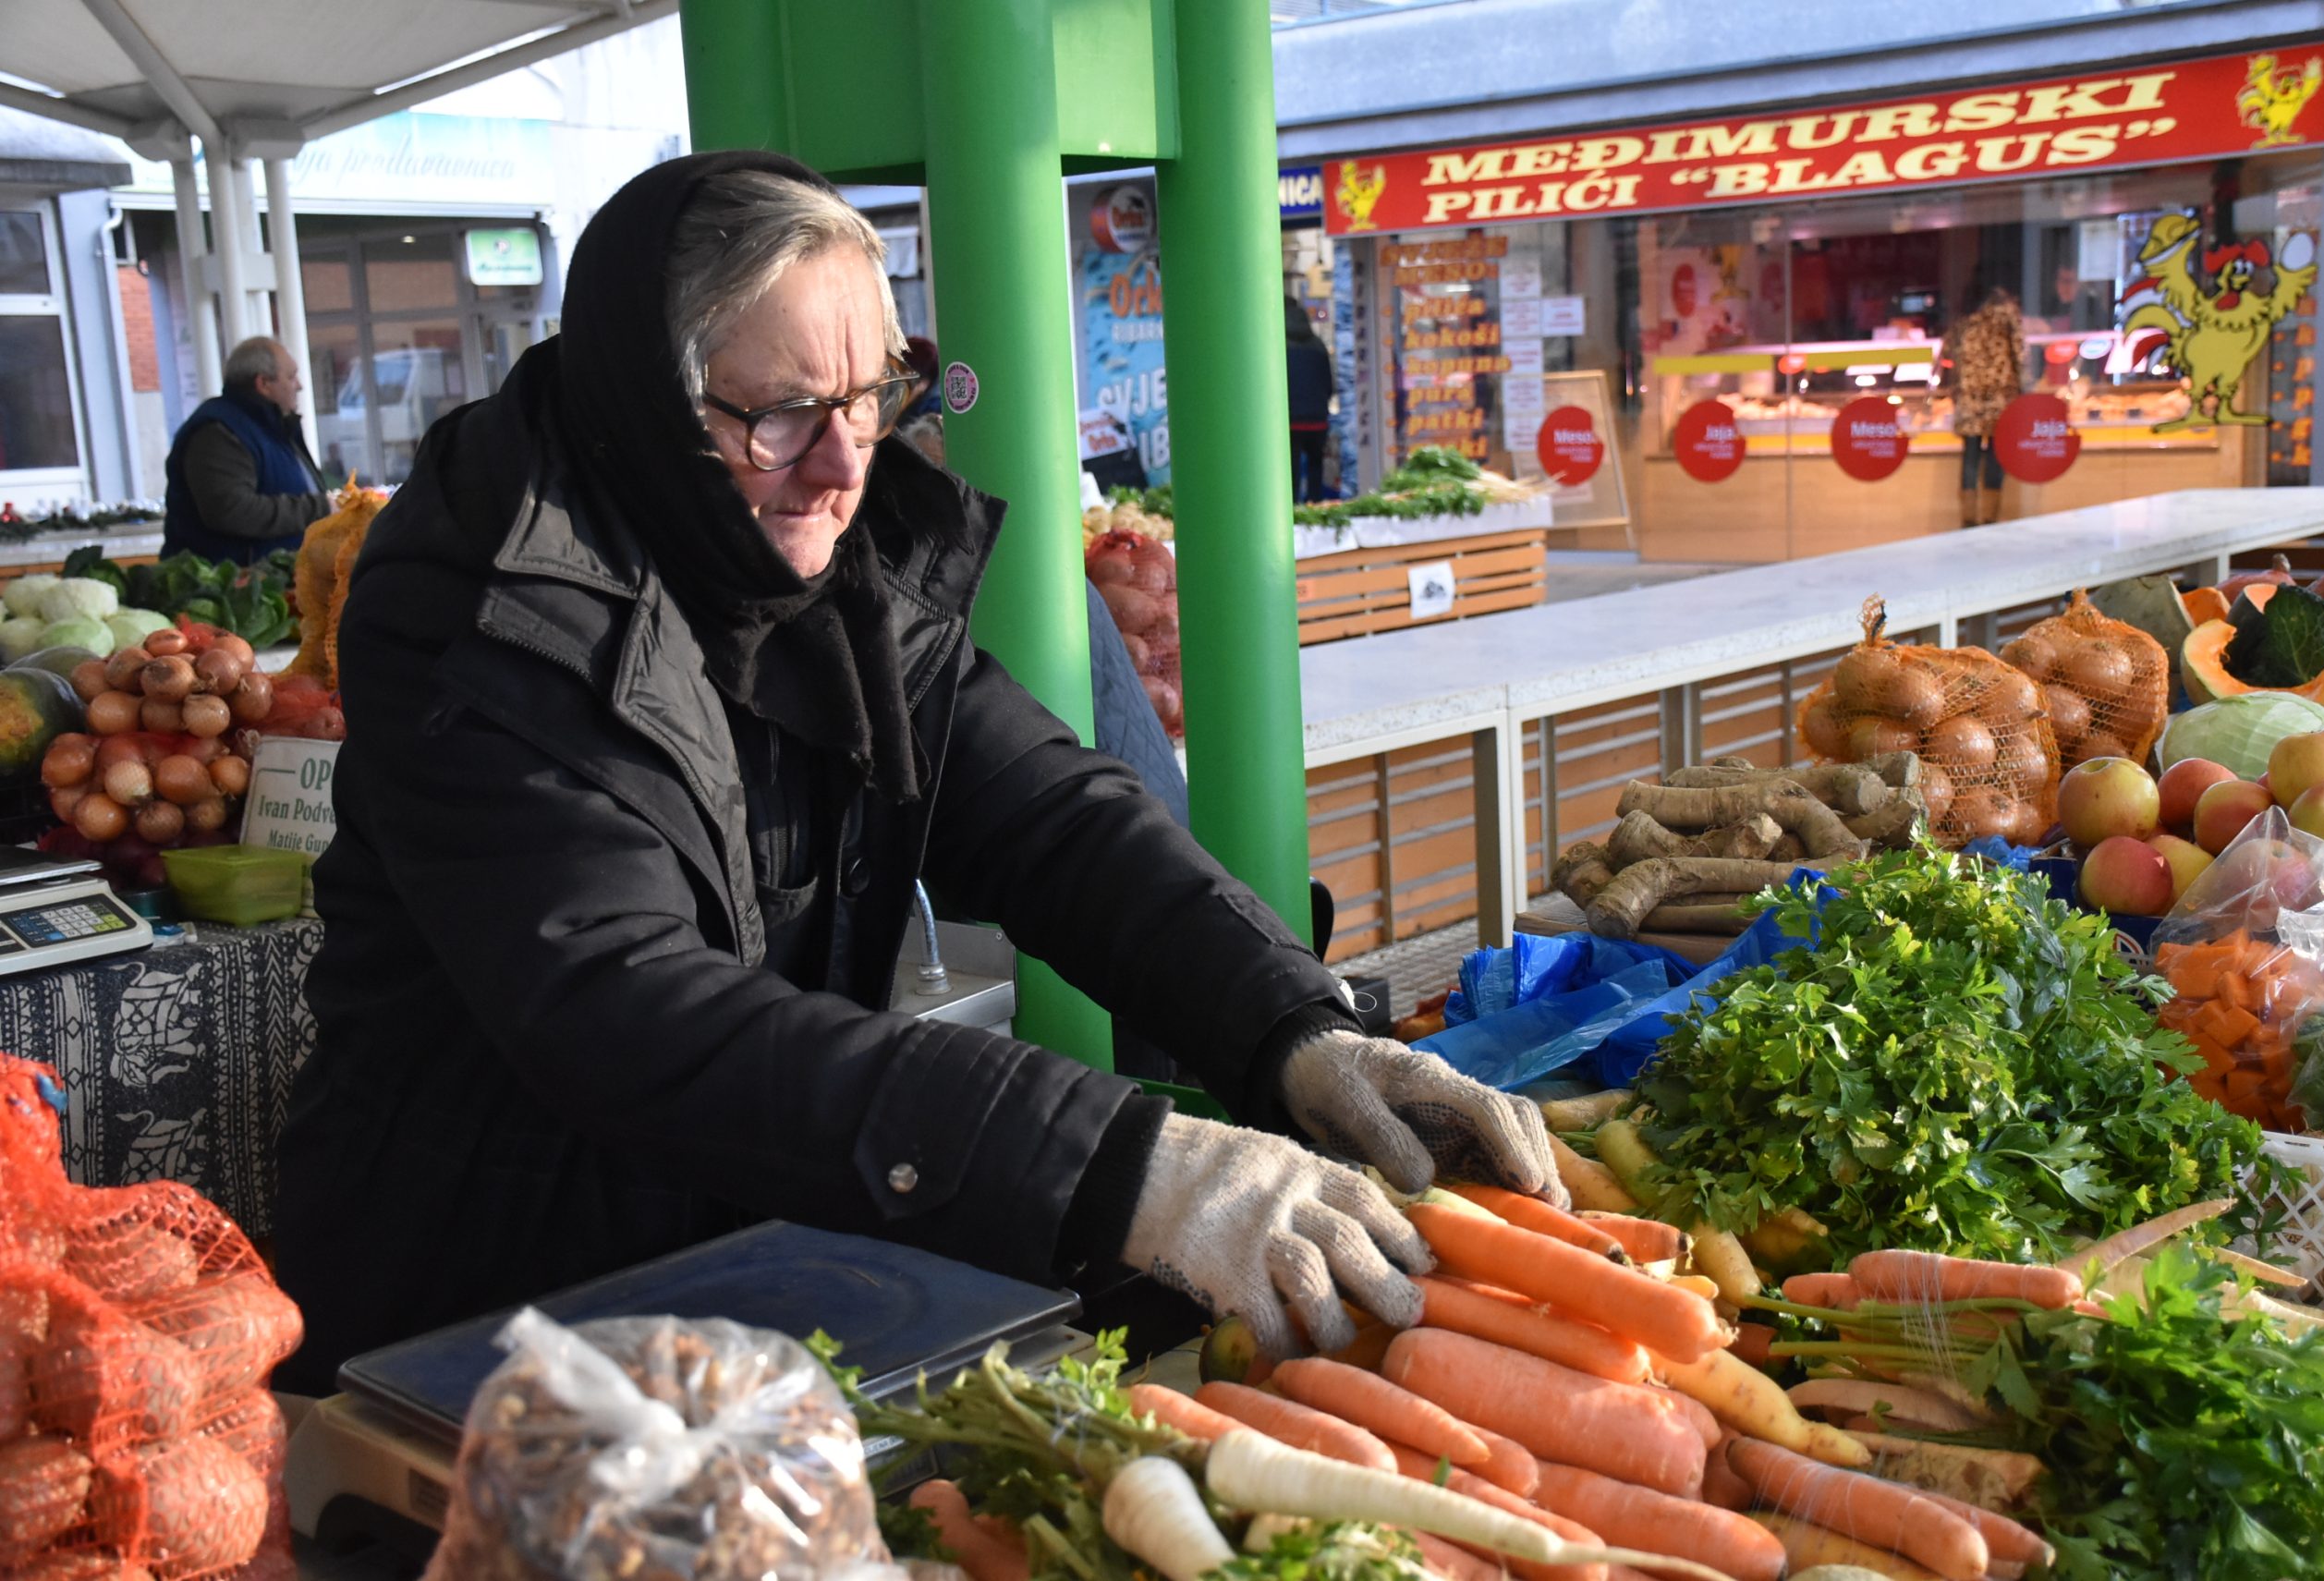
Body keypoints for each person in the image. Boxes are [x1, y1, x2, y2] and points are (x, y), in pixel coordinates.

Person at [272, 152, 1562, 1392]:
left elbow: (1055, 817)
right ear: (644, 403)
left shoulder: (835, 558)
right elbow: (626, 1008)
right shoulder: (482, 604)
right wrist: (1135, 1169)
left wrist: (1292, 1023)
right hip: (474, 1306)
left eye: (874, 396)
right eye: (781, 414)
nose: (844, 464)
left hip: (729, 1260)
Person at [161, 335, 332, 564]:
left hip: (277, 577)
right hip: (234, 585)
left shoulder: (273, 426)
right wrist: (320, 507)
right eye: (291, 377)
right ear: (263, 384)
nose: (299, 385)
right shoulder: (219, 432)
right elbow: (232, 511)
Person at [1940, 284, 2026, 529]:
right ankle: (1990, 516)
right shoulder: (2006, 310)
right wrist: (2024, 390)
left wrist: (1953, 389)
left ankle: (1968, 518)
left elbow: (1948, 352)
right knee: (1995, 456)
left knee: (1971, 455)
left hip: (1969, 394)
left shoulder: (1964, 313)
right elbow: (2020, 353)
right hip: (2000, 394)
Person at [1284, 298, 1333, 503]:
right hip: (1317, 418)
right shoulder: (1318, 345)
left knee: (1291, 470)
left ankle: (1294, 514)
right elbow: (1329, 384)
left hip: (1291, 419)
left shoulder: (1278, 347)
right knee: (1316, 466)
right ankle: (1316, 507)